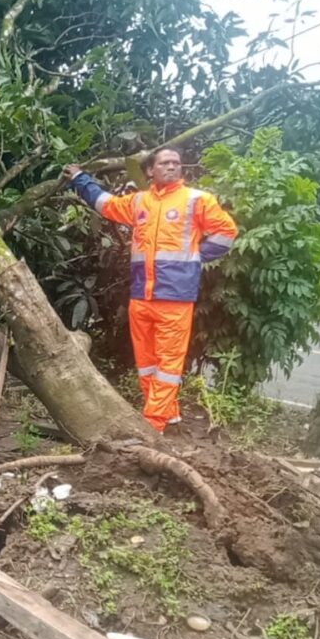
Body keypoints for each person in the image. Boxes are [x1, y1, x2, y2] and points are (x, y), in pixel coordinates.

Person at [63, 148, 238, 433]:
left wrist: (194, 257)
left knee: (168, 365)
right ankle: (168, 416)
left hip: (175, 298)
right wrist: (81, 178)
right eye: (164, 163)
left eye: (176, 163)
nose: (172, 167)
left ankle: (152, 426)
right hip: (142, 296)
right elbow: (106, 204)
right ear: (150, 171)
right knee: (147, 364)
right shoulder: (140, 202)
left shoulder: (197, 200)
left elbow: (226, 233)